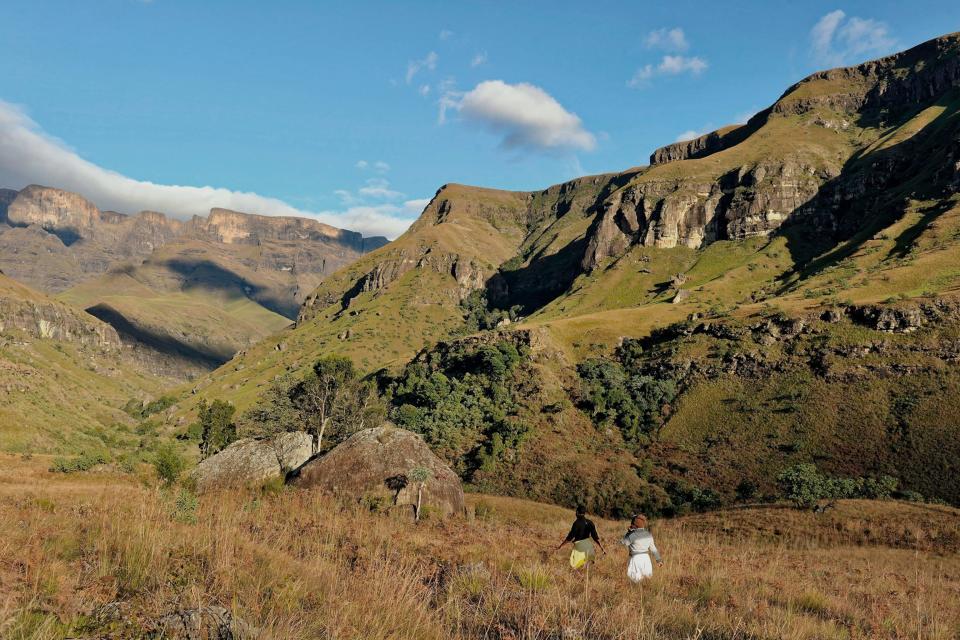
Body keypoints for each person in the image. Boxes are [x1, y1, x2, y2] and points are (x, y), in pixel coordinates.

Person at [620, 514, 662, 582]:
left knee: (635, 581)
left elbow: (623, 543)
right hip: (646, 559)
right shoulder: (648, 534)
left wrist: (628, 532)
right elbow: (653, 548)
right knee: (646, 580)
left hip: (635, 559)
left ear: (634, 525)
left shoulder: (632, 535)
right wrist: (658, 560)